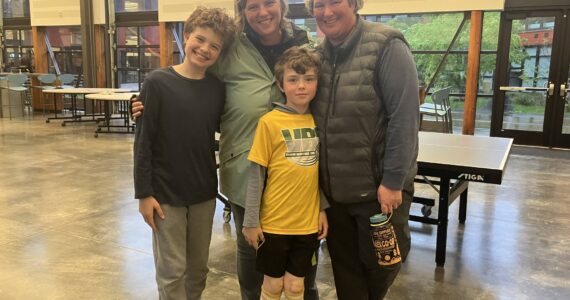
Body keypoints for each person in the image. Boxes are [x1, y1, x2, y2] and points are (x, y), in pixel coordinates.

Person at [132, 1, 321, 299]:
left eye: (269, 3)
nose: (262, 12)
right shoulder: (232, 49)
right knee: (244, 262)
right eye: (252, 6)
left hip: (293, 175)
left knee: (298, 271)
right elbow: (186, 86)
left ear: (282, 5)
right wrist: (145, 100)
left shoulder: (305, 46)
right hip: (242, 170)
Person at [305, 0, 420, 299]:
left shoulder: (387, 45)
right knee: (346, 274)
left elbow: (404, 117)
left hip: (377, 193)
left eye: (335, 2)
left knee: (381, 267)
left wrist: (393, 181)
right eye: (318, 4)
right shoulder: (316, 57)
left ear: (354, 4)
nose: (326, 11)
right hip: (335, 195)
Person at [133, 7, 236, 300]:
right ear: (187, 35)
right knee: (172, 271)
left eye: (214, 46)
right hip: (166, 195)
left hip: (203, 193)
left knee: (198, 269)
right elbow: (143, 143)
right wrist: (144, 193)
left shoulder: (217, 88)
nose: (204, 49)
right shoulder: (157, 83)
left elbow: (216, 129)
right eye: (200, 39)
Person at [241, 47, 328, 300]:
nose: (301, 86)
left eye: (309, 79)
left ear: (317, 83)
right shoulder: (269, 122)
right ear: (281, 84)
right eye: (293, 80)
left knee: (295, 287)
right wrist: (251, 220)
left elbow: (318, 173)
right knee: (273, 286)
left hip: (307, 225)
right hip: (274, 224)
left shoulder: (317, 121)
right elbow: (256, 174)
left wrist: (321, 209)